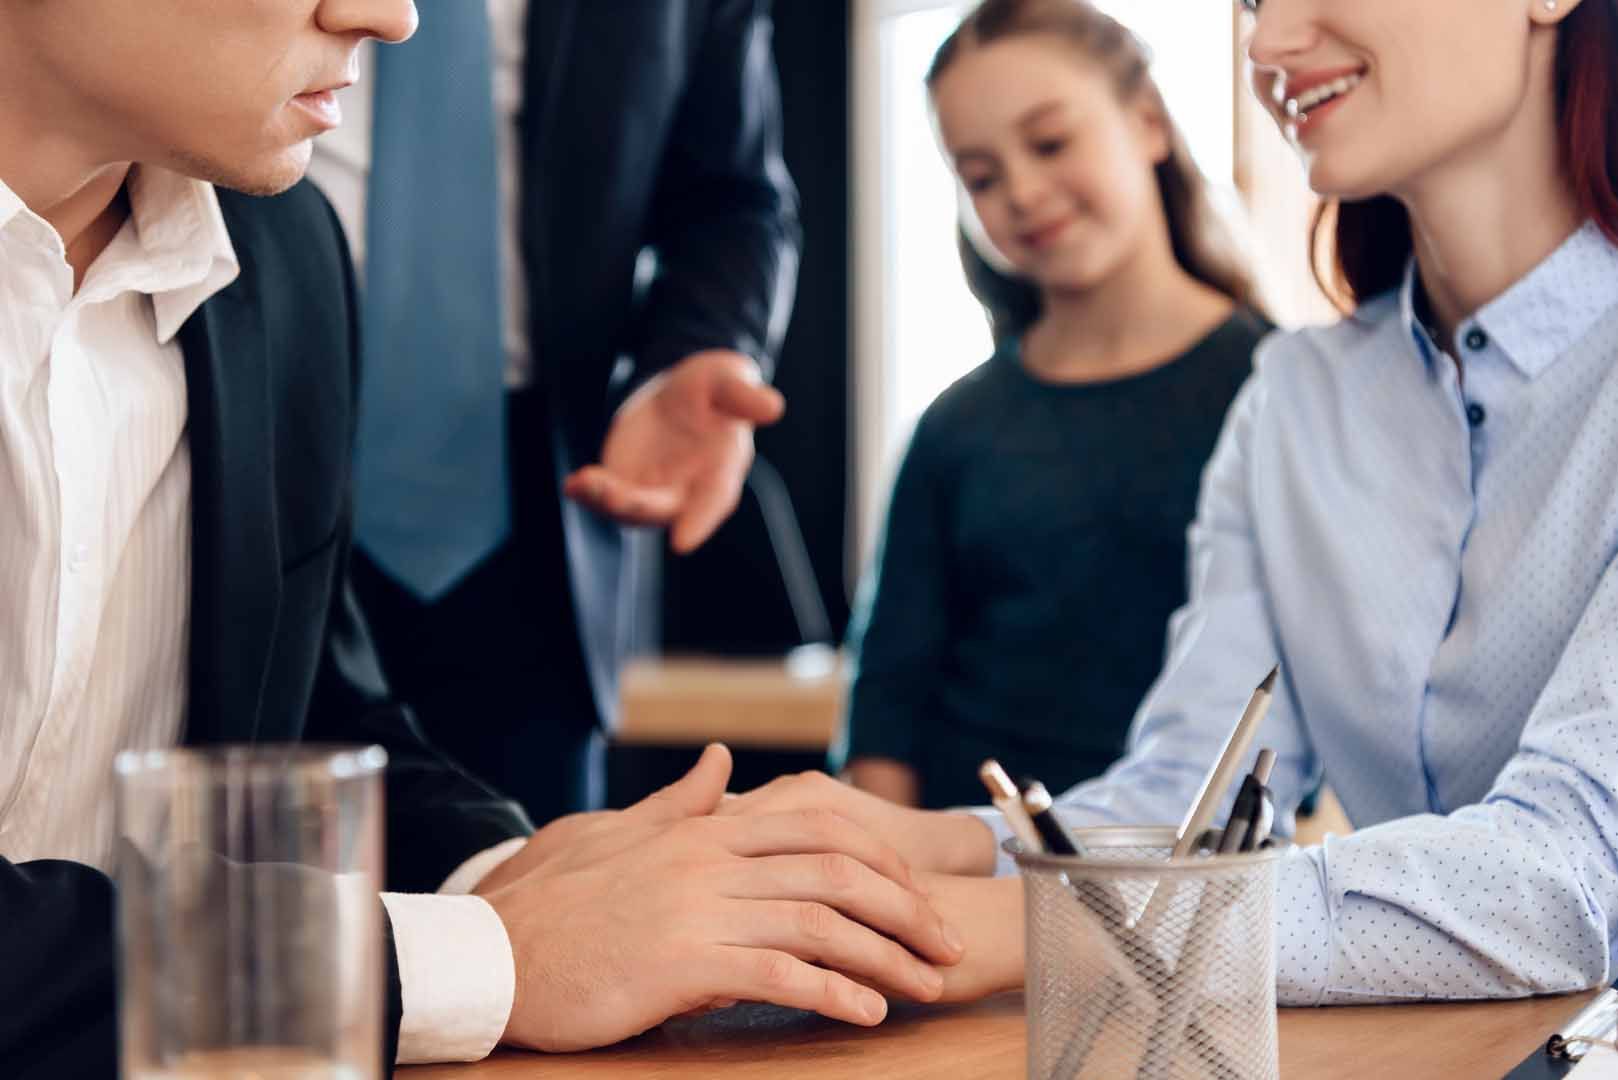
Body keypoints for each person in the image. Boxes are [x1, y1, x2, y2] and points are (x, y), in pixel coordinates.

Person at [0, 2, 956, 1074]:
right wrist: (479, 957)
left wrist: (534, 878)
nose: (392, 16)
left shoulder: (283, 262)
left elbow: (305, 708)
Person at [720, 0, 1618, 1007]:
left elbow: (1573, 874)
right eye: (1249, 3)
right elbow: (1191, 796)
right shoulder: (1291, 400)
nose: (1265, 45)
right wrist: (923, 844)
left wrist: (1055, 921)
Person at [305, 0, 801, 823]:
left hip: (534, 509)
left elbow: (737, 198)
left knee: (528, 884)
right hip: (245, 436)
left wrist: (699, 346)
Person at [838, 0, 1272, 809]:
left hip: (1193, 882)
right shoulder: (956, 428)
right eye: (981, 176)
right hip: (962, 878)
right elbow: (885, 712)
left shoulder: (1277, 390)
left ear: (1147, 122)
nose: (1024, 192)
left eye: (1050, 142)